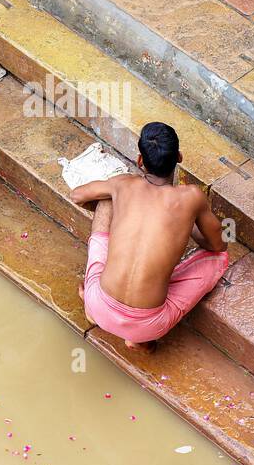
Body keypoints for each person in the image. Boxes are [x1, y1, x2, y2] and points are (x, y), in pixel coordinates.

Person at [69, 122, 228, 353]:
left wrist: (123, 209)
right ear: (179, 157)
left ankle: (92, 312)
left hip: (100, 304)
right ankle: (137, 339)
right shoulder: (192, 197)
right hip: (149, 326)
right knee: (219, 260)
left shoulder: (123, 184)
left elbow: (77, 195)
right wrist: (186, 225)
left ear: (140, 160)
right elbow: (218, 244)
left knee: (107, 199)